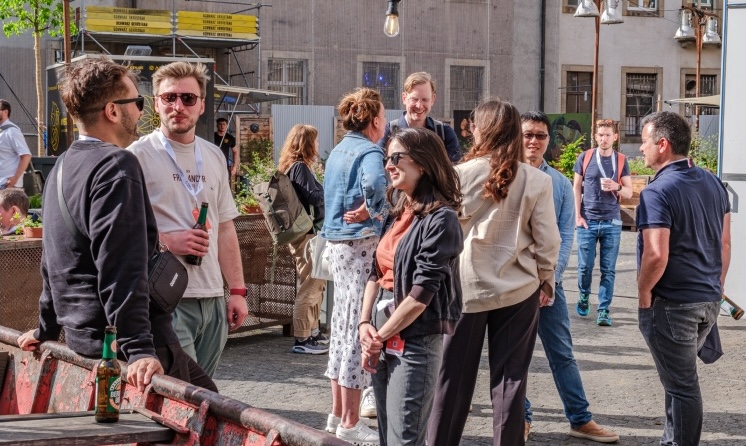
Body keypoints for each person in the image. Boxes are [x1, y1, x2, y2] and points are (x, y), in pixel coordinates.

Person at [17, 57, 216, 393]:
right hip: (128, 345)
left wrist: (45, 329)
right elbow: (122, 266)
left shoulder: (63, 166)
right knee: (211, 412)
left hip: (85, 338)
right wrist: (139, 349)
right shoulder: (117, 165)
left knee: (206, 395)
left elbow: (52, 260)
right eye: (137, 102)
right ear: (112, 111)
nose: (140, 113)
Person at [427, 98, 560, 446]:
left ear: (479, 130)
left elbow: (439, 232)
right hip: (519, 287)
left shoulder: (456, 175)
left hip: (465, 287)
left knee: (451, 380)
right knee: (511, 382)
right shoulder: (536, 180)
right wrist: (546, 278)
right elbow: (548, 240)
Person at [128, 61, 249, 377]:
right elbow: (122, 232)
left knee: (202, 394)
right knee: (185, 393)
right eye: (169, 98)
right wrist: (167, 241)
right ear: (156, 103)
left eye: (188, 98)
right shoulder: (137, 156)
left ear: (201, 105)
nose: (178, 106)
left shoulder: (213, 155)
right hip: (166, 301)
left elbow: (225, 227)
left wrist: (237, 290)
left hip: (212, 299)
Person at [358, 127, 463, 446]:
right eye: (386, 158)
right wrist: (364, 324)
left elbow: (420, 295)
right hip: (381, 330)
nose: (388, 165)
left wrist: (379, 336)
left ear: (423, 162)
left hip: (414, 337)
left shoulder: (441, 219)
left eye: (396, 157)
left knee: (404, 438)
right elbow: (375, 273)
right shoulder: (397, 212)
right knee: (386, 435)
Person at [521, 111, 619, 443]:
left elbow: (564, 235)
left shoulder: (560, 184)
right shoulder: (506, 177)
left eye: (540, 136)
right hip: (513, 284)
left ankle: (580, 419)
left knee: (562, 353)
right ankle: (521, 417)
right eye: (528, 134)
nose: (533, 141)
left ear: (548, 141)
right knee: (515, 356)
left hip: (550, 286)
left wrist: (550, 280)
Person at [637, 111, 730, 446]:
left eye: (645, 142)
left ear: (662, 144)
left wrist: (643, 294)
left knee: (682, 386)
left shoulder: (657, 191)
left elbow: (656, 255)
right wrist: (716, 286)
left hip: (673, 303)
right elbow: (725, 244)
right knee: (677, 380)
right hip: (707, 299)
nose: (641, 149)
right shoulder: (712, 182)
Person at [320, 87, 388, 444]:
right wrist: (374, 211)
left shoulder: (338, 150)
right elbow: (376, 183)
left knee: (341, 325)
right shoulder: (370, 150)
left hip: (336, 243)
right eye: (384, 117)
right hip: (359, 242)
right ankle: (349, 421)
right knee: (355, 328)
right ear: (374, 120)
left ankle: (337, 415)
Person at [573, 119, 632, 326]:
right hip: (587, 221)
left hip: (611, 222)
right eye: (600, 135)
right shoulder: (585, 157)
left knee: (608, 270)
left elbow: (629, 192)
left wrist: (617, 186)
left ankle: (604, 309)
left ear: (615, 137)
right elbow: (576, 187)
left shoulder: (621, 160)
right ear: (595, 137)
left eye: (608, 135)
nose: (604, 139)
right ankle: (583, 295)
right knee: (584, 267)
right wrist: (578, 216)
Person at [277, 124, 329, 355]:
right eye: (315, 141)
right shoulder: (299, 168)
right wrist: (330, 188)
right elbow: (314, 197)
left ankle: (313, 331)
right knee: (311, 284)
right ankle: (302, 338)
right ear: (307, 143)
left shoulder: (295, 166)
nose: (318, 144)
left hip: (305, 234)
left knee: (317, 283)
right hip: (307, 235)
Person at [378, 72, 461, 163]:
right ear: (404, 98)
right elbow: (378, 165)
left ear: (433, 99)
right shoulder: (388, 132)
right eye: (414, 99)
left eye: (425, 100)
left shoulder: (445, 133)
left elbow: (454, 168)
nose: (419, 106)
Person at [0, 99, 32, 190]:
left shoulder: (12, 131)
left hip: (7, 185)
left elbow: (26, 156)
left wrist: (14, 180)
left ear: (5, 112)